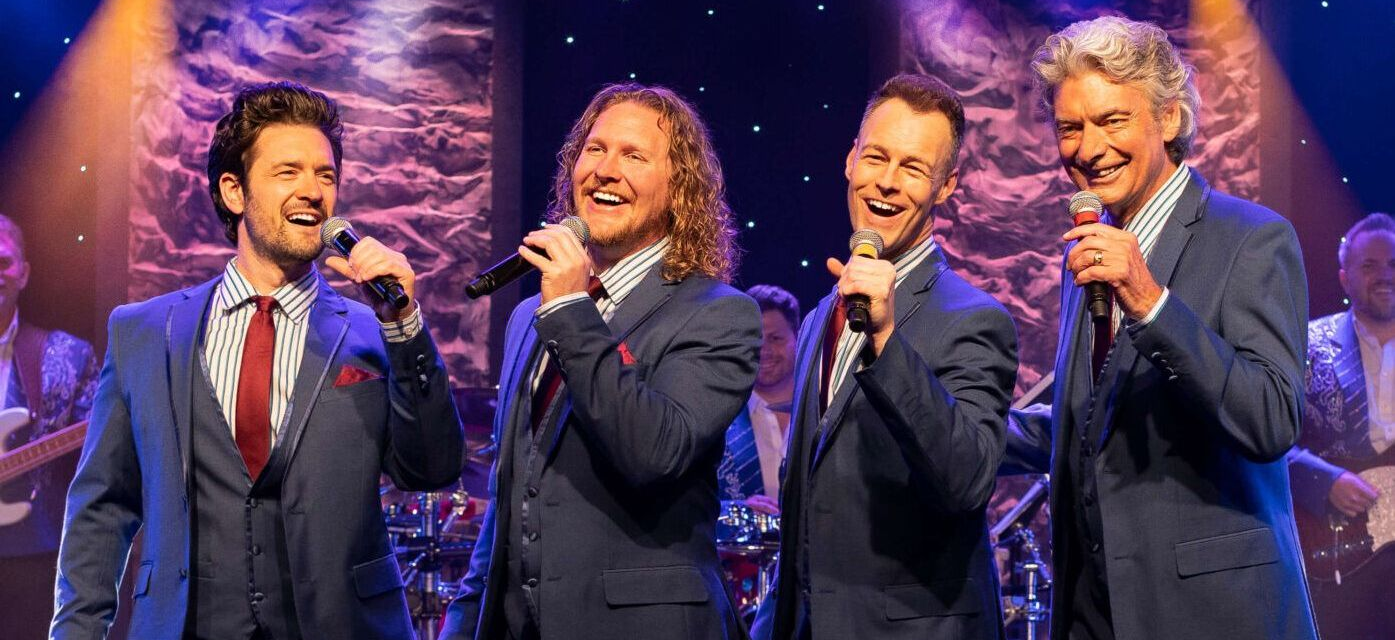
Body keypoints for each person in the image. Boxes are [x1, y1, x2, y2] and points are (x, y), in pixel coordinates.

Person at [51, 81, 464, 640]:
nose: (313, 192)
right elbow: (102, 506)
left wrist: (404, 325)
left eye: (326, 175)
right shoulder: (144, 332)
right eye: (287, 172)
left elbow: (432, 469)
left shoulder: (377, 330)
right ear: (233, 192)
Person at [1002, 16, 1317, 639]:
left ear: (1169, 119)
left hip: (1213, 615)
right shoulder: (1092, 255)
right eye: (1070, 127)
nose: (1088, 148)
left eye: (1112, 120)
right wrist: (947, 417)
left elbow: (1271, 418)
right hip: (1097, 614)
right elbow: (1091, 426)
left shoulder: (1252, 238)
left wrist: (1149, 301)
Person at [442, 83, 761, 640]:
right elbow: (511, 499)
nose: (605, 170)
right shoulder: (528, 318)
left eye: (633, 156)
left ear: (679, 188)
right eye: (595, 149)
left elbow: (653, 451)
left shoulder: (719, 314)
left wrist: (569, 307)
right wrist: (465, 624)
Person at [752, 73, 1018, 640]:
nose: (888, 183)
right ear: (850, 160)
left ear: (946, 187)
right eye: (877, 157)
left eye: (914, 168)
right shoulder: (825, 310)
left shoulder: (975, 318)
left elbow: (967, 481)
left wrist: (886, 341)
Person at [1288, 212, 1395, 640]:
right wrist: (1322, 480)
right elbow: (1262, 440)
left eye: (1393, 264)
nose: (1385, 275)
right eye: (1369, 266)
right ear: (1344, 277)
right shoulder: (1306, 345)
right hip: (1340, 551)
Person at [0, 214, 98, 640]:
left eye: (3, 261)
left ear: (23, 273)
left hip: (33, 555)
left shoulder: (67, 355)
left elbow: (99, 456)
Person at [718, 284, 799, 513]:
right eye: (755, 340)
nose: (764, 350)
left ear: (798, 336)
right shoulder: (720, 416)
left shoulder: (823, 410)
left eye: (775, 338)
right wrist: (737, 510)